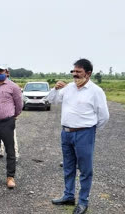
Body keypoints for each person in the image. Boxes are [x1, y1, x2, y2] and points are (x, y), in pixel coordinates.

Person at [49, 59, 109, 214]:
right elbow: (52, 100)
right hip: (66, 133)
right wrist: (55, 89)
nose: (74, 75)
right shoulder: (68, 88)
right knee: (68, 167)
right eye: (73, 71)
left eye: (78, 72)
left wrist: (90, 131)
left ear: (88, 73)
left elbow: (104, 116)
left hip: (84, 134)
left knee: (85, 169)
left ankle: (83, 202)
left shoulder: (96, 91)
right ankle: (68, 195)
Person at [0, 65, 23, 189]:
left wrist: (13, 116)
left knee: (10, 151)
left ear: (7, 73)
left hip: (7, 122)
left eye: (1, 71)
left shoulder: (13, 87)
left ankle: (10, 177)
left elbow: (19, 105)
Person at [0, 73, 20, 160]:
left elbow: (18, 103)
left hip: (9, 117)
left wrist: (15, 114)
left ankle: (15, 154)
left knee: (11, 136)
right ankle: (1, 151)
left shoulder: (13, 86)